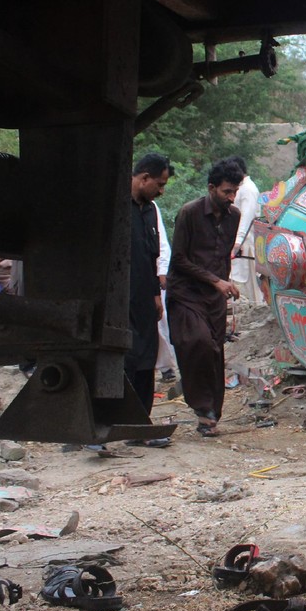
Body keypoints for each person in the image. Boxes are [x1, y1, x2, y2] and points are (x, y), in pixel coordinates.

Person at [167, 159, 243, 437]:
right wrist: (216, 281)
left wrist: (227, 283)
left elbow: (222, 256)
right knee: (196, 342)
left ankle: (209, 415)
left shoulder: (234, 216)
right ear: (211, 188)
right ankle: (200, 405)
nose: (231, 197)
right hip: (185, 293)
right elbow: (179, 260)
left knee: (214, 351)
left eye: (235, 191)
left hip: (214, 297)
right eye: (226, 192)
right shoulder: (189, 213)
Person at [126, 152, 173, 448]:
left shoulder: (150, 209)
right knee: (124, 361)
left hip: (145, 297)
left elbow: (153, 252)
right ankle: (115, 423)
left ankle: (140, 425)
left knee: (145, 360)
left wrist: (157, 294)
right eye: (159, 183)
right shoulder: (118, 205)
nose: (161, 190)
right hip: (118, 298)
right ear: (143, 178)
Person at [227, 157, 263, 305]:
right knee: (238, 279)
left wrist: (237, 243)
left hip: (245, 243)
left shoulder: (248, 189)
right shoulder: (240, 188)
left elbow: (246, 217)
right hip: (239, 242)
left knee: (249, 283)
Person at [153, 200, 177, 383]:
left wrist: (162, 270)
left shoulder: (151, 207)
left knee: (160, 320)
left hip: (152, 273)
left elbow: (161, 242)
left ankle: (166, 366)